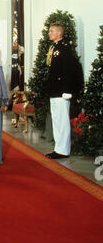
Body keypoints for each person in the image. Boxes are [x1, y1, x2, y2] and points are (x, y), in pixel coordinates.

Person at [45, 23, 84, 160]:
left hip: (62, 91)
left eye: (52, 31)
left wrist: (68, 90)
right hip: (54, 90)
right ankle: (58, 148)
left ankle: (63, 150)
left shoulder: (65, 49)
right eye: (49, 31)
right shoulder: (54, 48)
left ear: (59, 33)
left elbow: (69, 71)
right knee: (56, 120)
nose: (49, 33)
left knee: (62, 121)